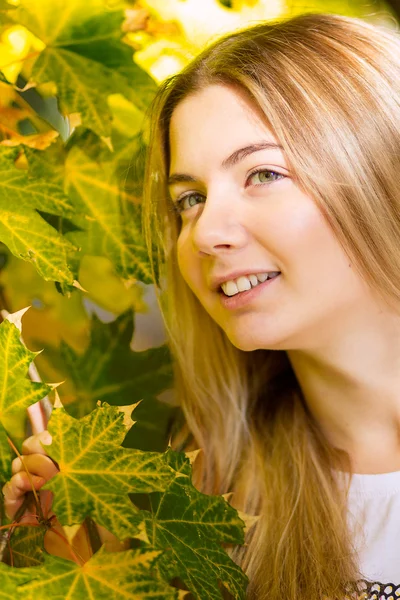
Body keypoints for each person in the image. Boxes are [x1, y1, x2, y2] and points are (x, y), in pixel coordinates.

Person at [4, 11, 400, 600]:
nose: (205, 231)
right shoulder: (194, 512)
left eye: (263, 173)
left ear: (381, 172)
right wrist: (64, 559)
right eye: (188, 199)